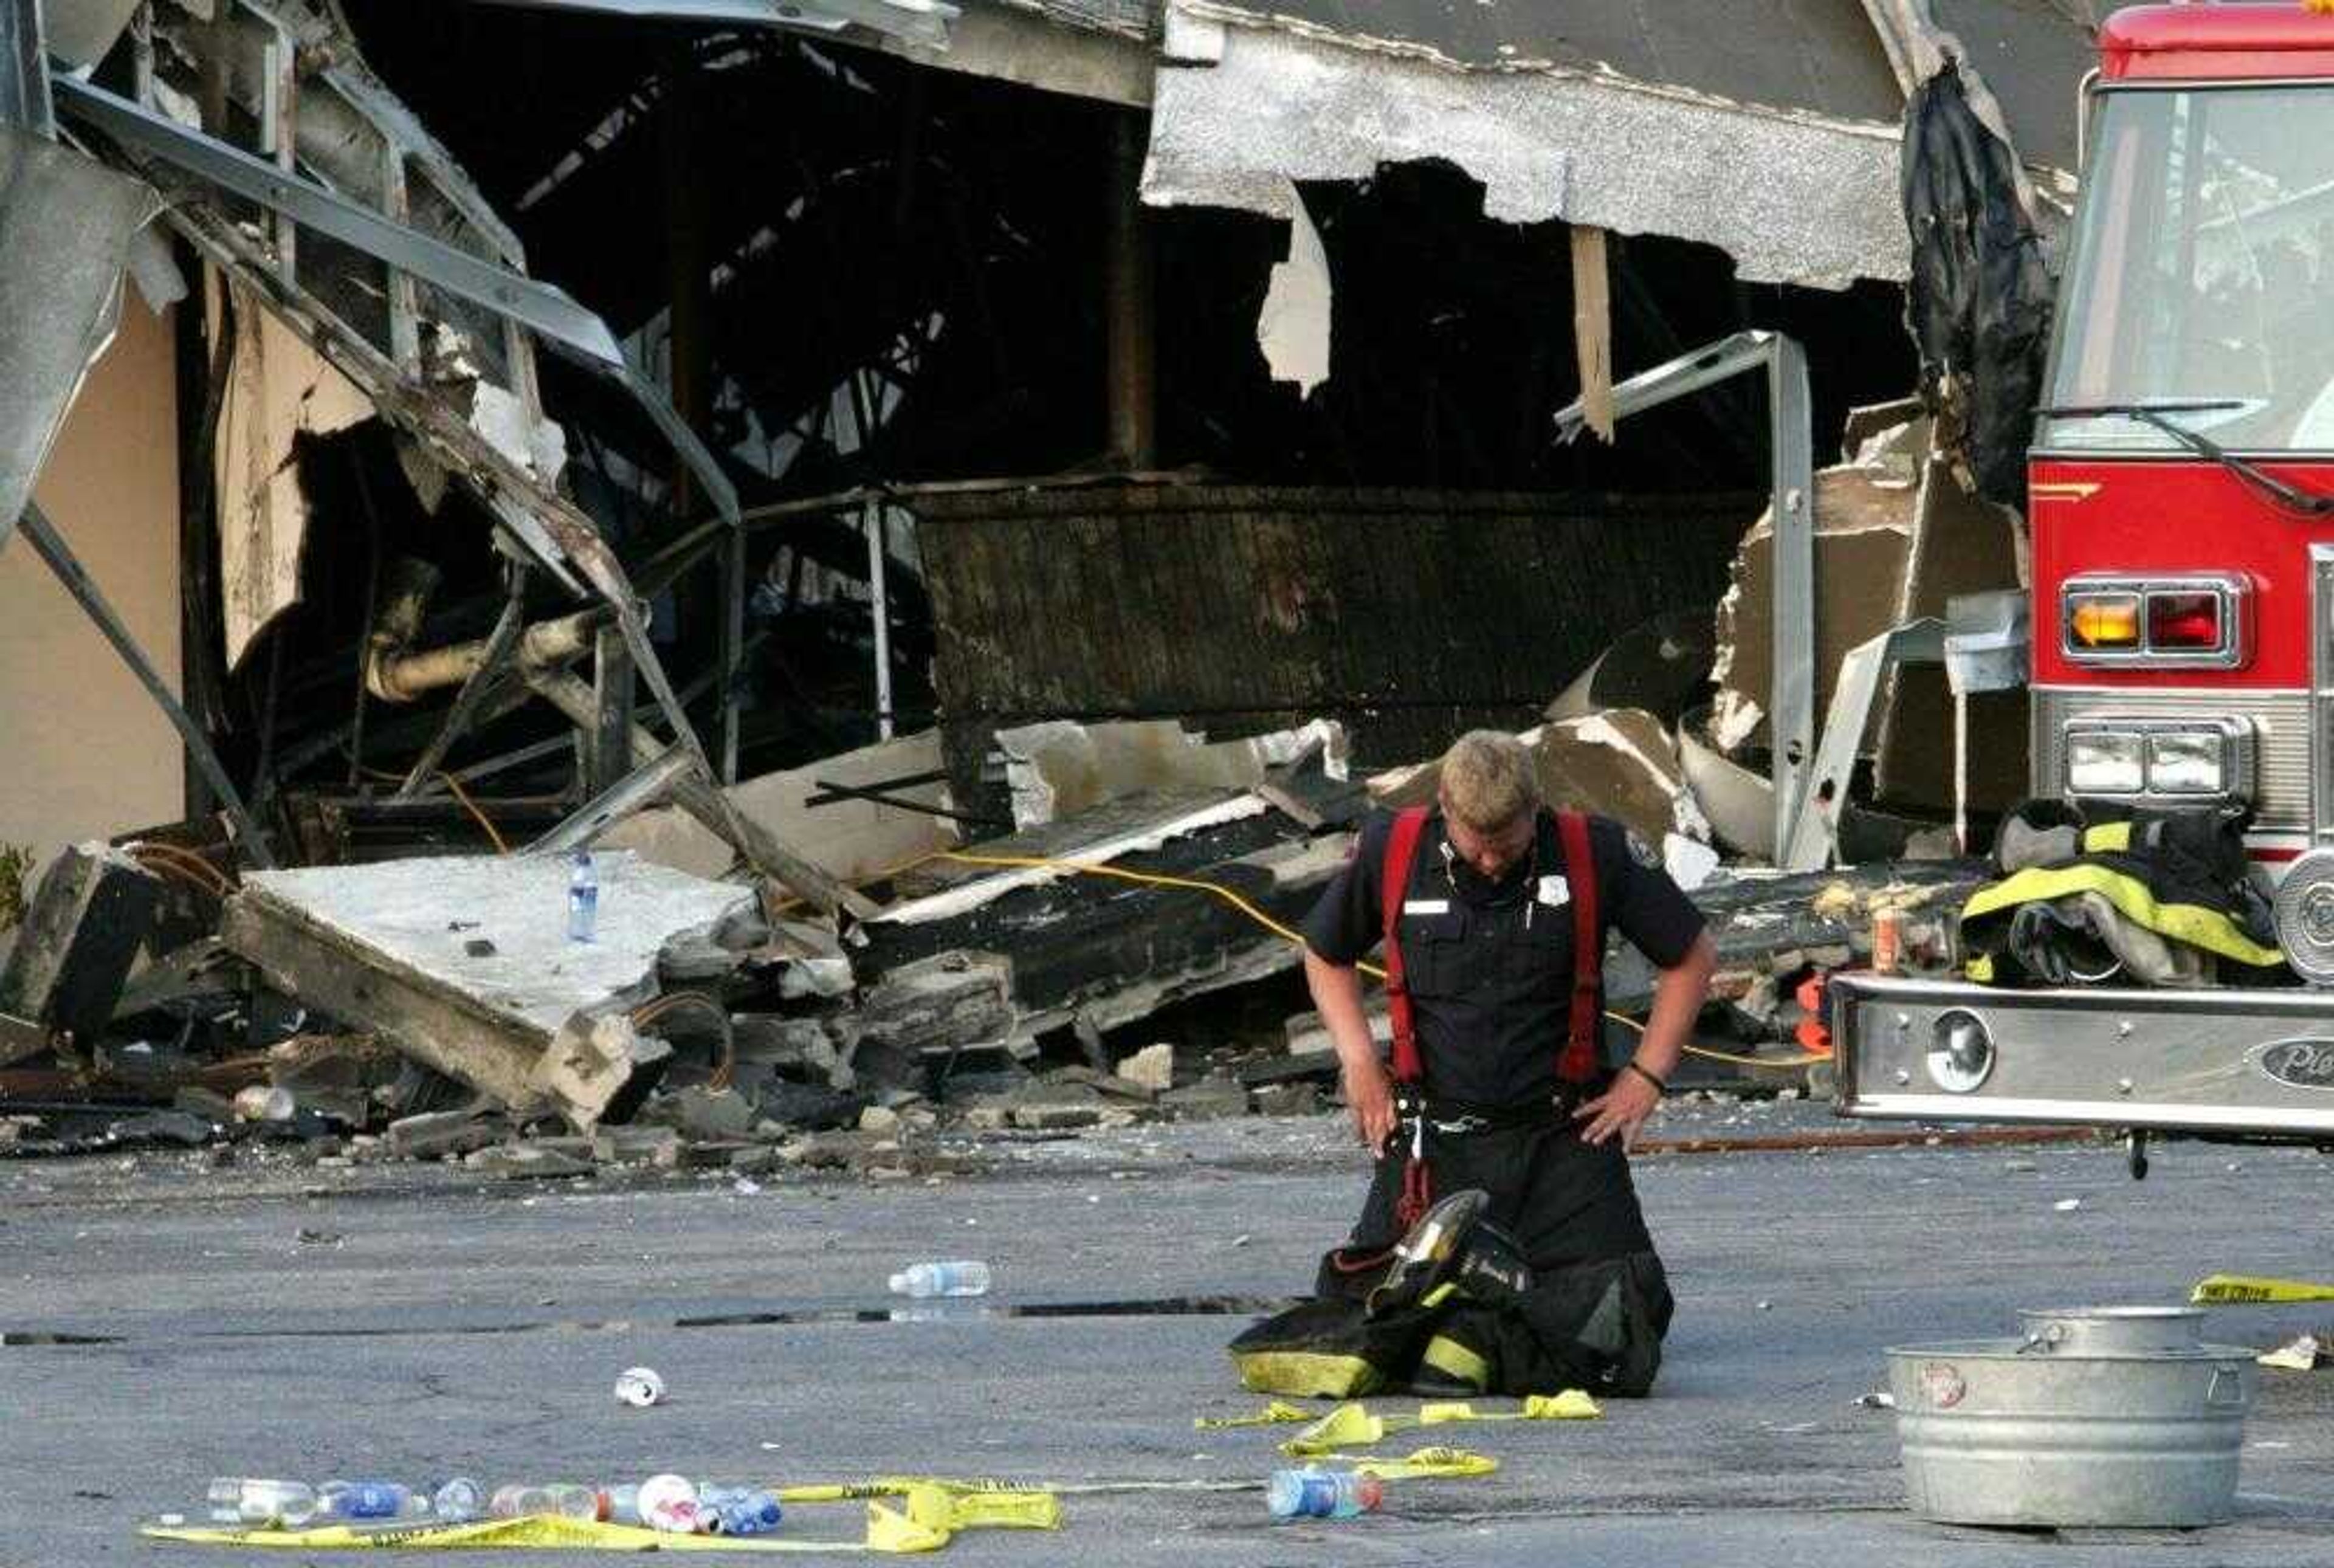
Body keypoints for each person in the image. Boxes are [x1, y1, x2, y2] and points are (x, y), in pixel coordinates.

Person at [1227, 731, 1715, 1400]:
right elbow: (1326, 953)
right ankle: (1481, 1324)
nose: (1489, 862)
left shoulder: (1593, 851)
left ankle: (1474, 1334)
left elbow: (1691, 957)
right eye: (1473, 843)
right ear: (1443, 812)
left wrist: (1647, 1077)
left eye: (1507, 845)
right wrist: (1359, 1060)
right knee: (1365, 1312)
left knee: (1627, 1323)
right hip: (1436, 1142)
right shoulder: (1391, 850)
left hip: (1563, 1139)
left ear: (1535, 811)